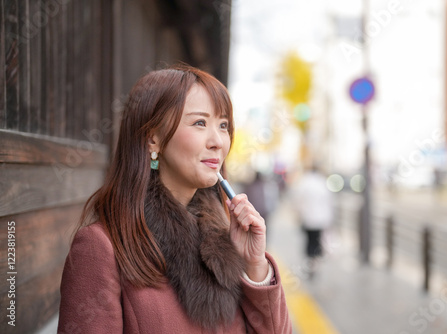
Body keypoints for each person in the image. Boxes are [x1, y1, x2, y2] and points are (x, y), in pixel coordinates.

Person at [57, 65, 292, 333]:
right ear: (153, 140)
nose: (218, 141)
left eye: (223, 125)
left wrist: (255, 264)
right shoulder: (102, 247)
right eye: (200, 123)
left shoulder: (225, 240)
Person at [292, 166, 334, 279]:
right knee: (317, 242)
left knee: (310, 242)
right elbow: (329, 202)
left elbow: (298, 200)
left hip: (308, 218)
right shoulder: (322, 183)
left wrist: (298, 214)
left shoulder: (304, 182)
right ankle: (315, 265)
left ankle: (310, 264)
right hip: (321, 219)